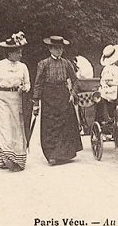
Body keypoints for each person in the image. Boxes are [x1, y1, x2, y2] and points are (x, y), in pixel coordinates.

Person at [32, 35, 83, 165]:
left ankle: (64, 155)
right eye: (56, 48)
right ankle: (52, 155)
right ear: (50, 49)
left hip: (63, 95)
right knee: (50, 127)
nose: (59, 51)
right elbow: (38, 84)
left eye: (60, 48)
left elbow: (75, 80)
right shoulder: (43, 64)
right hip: (48, 96)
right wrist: (36, 102)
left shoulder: (67, 63)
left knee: (65, 126)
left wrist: (72, 93)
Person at [0, 32, 31, 172]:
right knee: (5, 128)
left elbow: (28, 83)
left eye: (21, 52)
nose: (20, 55)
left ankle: (18, 160)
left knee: (17, 128)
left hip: (18, 99)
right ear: (9, 53)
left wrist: (25, 88)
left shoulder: (23, 67)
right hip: (4, 99)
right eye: (17, 52)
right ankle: (7, 158)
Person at [97, 44, 118, 128]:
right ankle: (110, 119)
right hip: (108, 90)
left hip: (116, 87)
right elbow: (108, 82)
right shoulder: (107, 69)